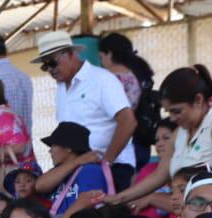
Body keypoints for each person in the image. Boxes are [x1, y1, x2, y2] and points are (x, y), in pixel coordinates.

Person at [109, 66, 212, 211]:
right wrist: (120, 197)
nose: (173, 118)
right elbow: (160, 174)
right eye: (169, 112)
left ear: (199, 100)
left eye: (177, 111)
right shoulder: (180, 133)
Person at [36, 30, 137, 189]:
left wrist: (107, 162)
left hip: (113, 166)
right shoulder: (61, 88)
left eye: (52, 63)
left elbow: (128, 121)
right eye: (45, 66)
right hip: (78, 167)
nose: (50, 69)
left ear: (69, 54)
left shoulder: (101, 80)